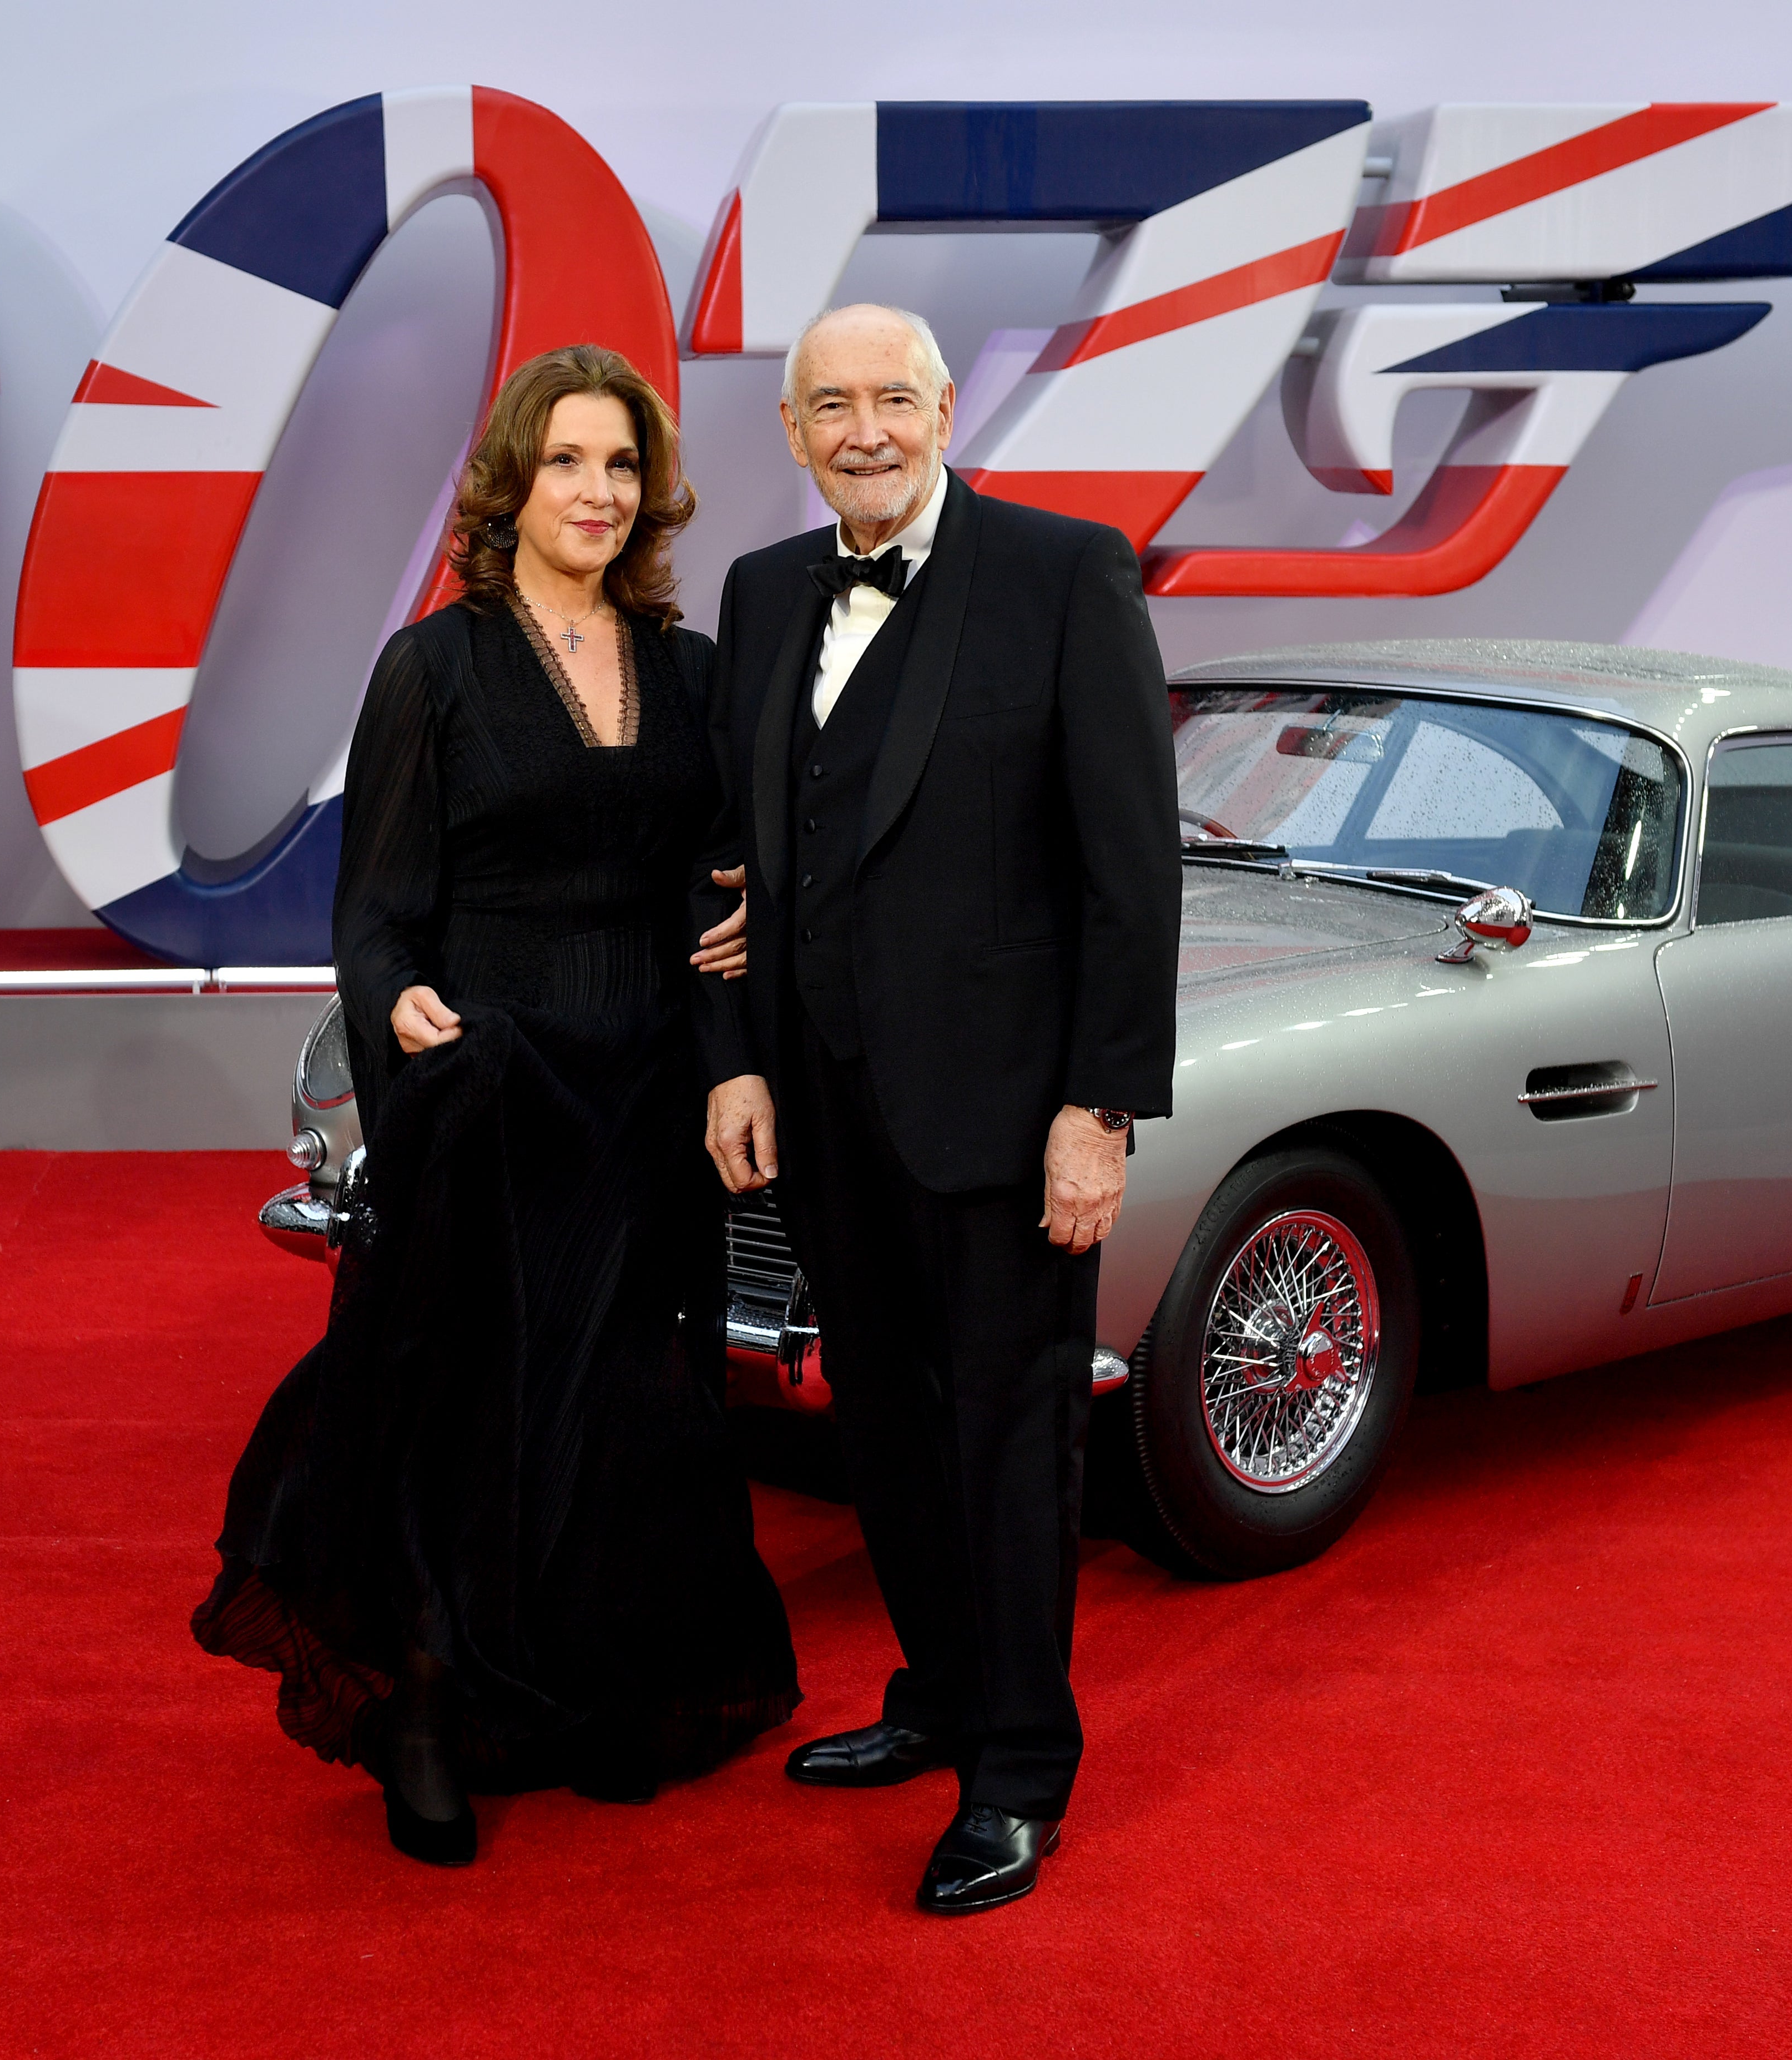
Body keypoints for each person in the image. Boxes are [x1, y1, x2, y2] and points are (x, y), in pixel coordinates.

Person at [193, 345, 800, 1866]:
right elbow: (377, 913)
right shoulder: (436, 668)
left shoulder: (694, 671)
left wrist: (738, 1006)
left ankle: (583, 1694)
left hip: (647, 1085)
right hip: (493, 1086)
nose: (596, 492)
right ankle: (424, 1712)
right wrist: (399, 1010)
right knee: (461, 1408)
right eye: (567, 464)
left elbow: (713, 890)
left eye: (619, 467)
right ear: (511, 486)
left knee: (623, 1410)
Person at [695, 305, 1179, 1915]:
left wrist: (1097, 1107)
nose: (865, 431)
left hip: (1003, 1118)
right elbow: (737, 864)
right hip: (824, 1113)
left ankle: (1019, 1766)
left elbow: (1129, 869)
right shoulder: (763, 593)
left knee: (1006, 1439)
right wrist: (737, 1057)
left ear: (946, 408)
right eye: (829, 405)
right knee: (887, 1431)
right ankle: (933, 1697)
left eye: (892, 399)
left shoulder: (1063, 572)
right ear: (789, 433)